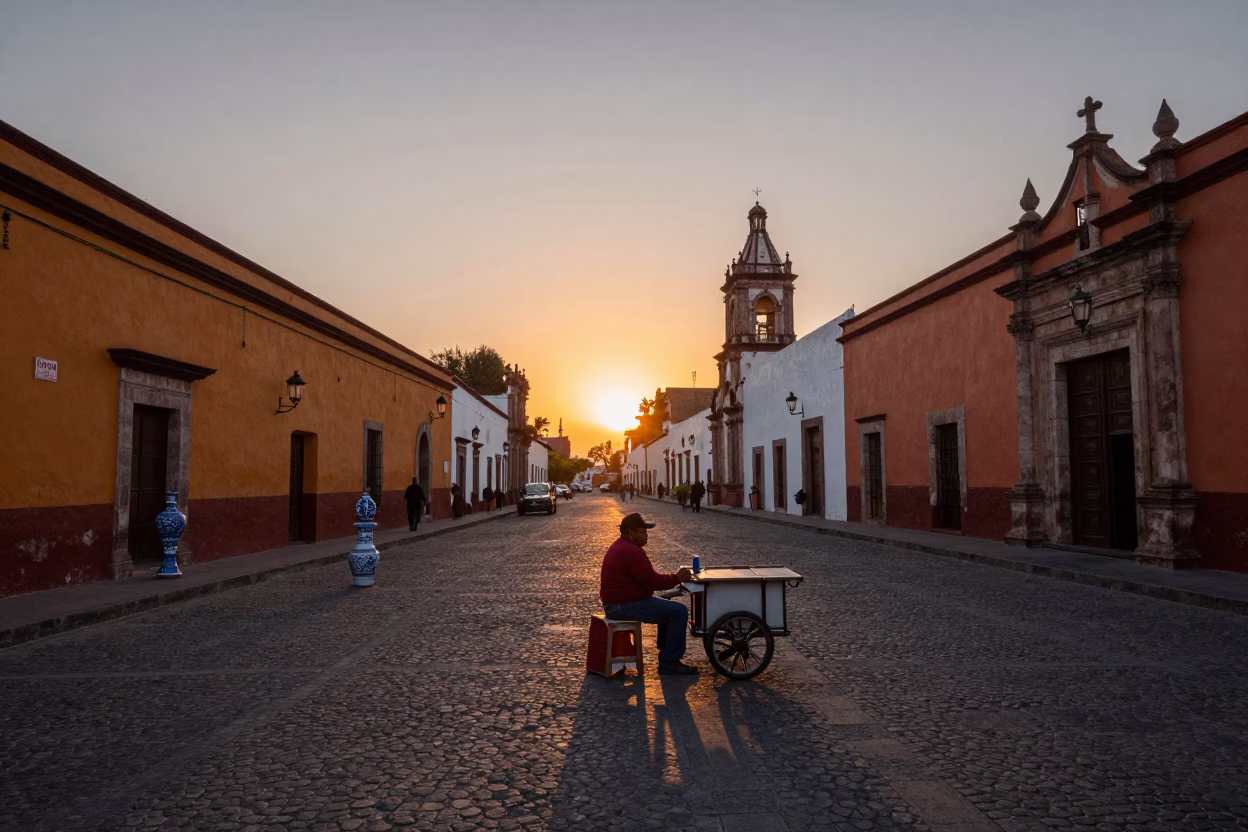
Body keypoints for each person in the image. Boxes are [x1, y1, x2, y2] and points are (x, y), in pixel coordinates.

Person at [600, 513, 698, 675]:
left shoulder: (623, 546)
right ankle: (669, 662)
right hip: (621, 606)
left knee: (667, 606)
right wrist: (676, 578)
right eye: (642, 532)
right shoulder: (630, 551)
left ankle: (666, 656)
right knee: (678, 611)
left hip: (621, 602)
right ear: (630, 533)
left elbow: (647, 580)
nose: (646, 536)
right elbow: (652, 581)